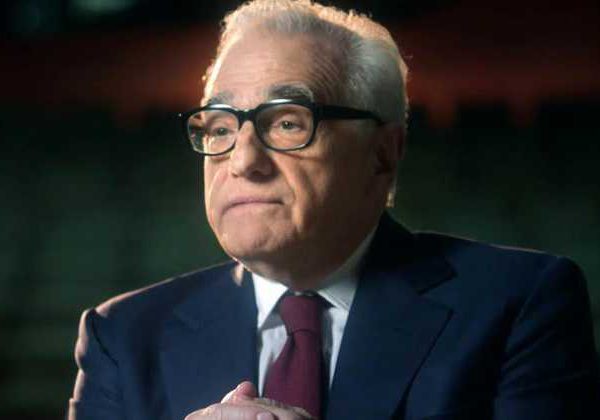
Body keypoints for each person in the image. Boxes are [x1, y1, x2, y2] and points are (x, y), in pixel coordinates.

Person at [67, 0, 599, 419]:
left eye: (287, 122)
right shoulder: (123, 336)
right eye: (221, 127)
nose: (243, 161)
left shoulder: (519, 304)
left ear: (382, 153)